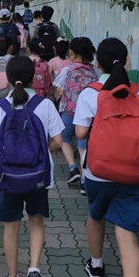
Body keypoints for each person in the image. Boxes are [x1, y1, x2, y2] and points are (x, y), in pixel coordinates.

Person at [74, 37, 139, 277]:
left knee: (96, 216)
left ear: (97, 63)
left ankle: (96, 265)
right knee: (128, 237)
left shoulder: (91, 93)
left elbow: (80, 131)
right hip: (135, 173)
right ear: (127, 60)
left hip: (99, 171)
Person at [0, 55, 63, 277]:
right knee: (36, 220)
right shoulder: (44, 105)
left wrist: (10, 156)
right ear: (33, 78)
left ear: (7, 78)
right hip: (38, 176)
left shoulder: (0, 108)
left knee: (11, 227)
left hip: (7, 178)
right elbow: (58, 141)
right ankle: (35, 271)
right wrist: (37, 154)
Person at [53, 37, 98, 194]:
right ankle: (85, 180)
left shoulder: (68, 70)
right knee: (83, 147)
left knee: (64, 140)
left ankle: (73, 168)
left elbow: (58, 88)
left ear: (71, 52)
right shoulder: (94, 71)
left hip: (69, 112)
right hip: (87, 116)